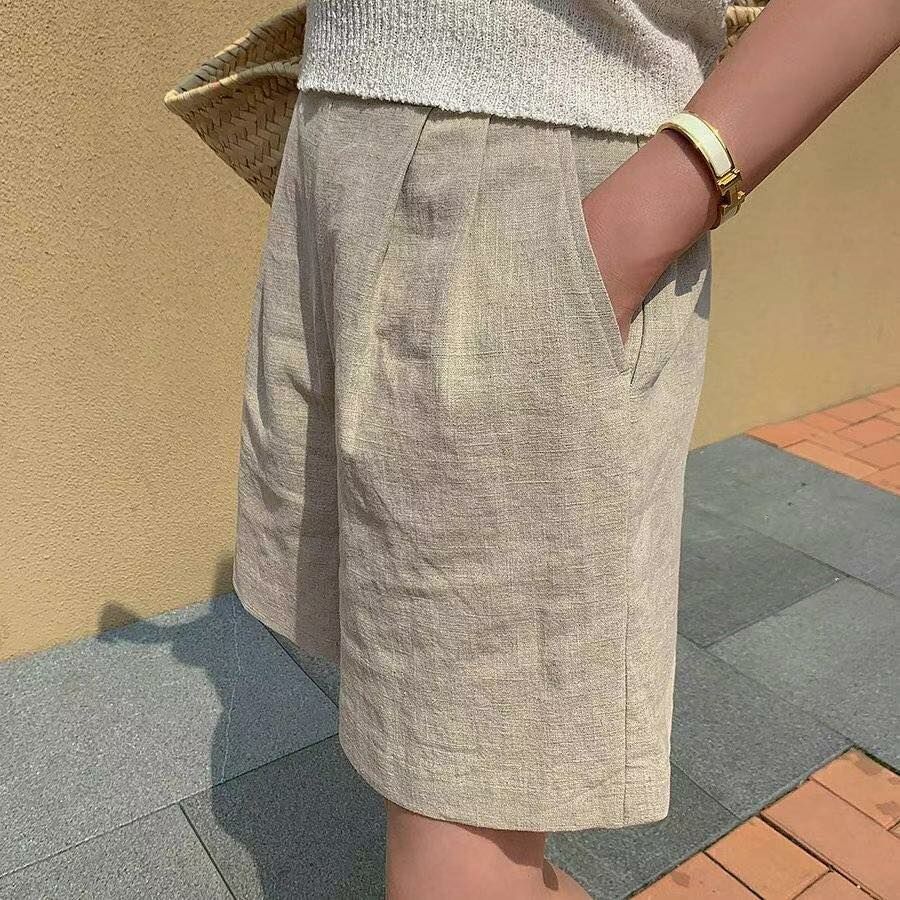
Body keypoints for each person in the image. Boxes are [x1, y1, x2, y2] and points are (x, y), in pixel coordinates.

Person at [231, 1, 900, 897]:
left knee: (461, 793)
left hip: (508, 187)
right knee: (430, 729)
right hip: (355, 165)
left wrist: (662, 197)